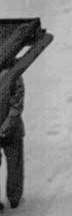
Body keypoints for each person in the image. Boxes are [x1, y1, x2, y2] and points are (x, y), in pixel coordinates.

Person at [0, 72, 23, 209]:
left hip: (11, 129)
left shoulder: (14, 73)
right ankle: (14, 197)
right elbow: (17, 103)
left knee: (15, 163)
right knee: (15, 163)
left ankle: (14, 197)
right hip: (12, 128)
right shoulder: (14, 72)